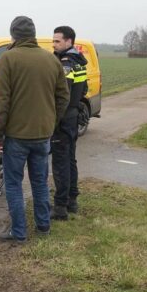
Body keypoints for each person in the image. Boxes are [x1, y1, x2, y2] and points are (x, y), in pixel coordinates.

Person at [0, 16, 70, 241]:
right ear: (33, 35)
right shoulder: (51, 60)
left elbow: (1, 103)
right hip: (43, 134)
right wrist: (51, 121)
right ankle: (43, 227)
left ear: (13, 35)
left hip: (16, 136)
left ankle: (19, 232)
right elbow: (63, 97)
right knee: (40, 181)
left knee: (14, 184)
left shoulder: (8, 59)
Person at [50, 25, 88, 219]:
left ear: (69, 42)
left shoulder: (66, 63)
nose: (53, 44)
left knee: (60, 162)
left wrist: (54, 119)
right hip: (73, 115)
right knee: (70, 159)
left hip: (63, 117)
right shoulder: (79, 61)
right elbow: (84, 90)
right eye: (53, 40)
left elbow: (60, 94)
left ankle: (60, 207)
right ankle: (72, 199)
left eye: (57, 41)